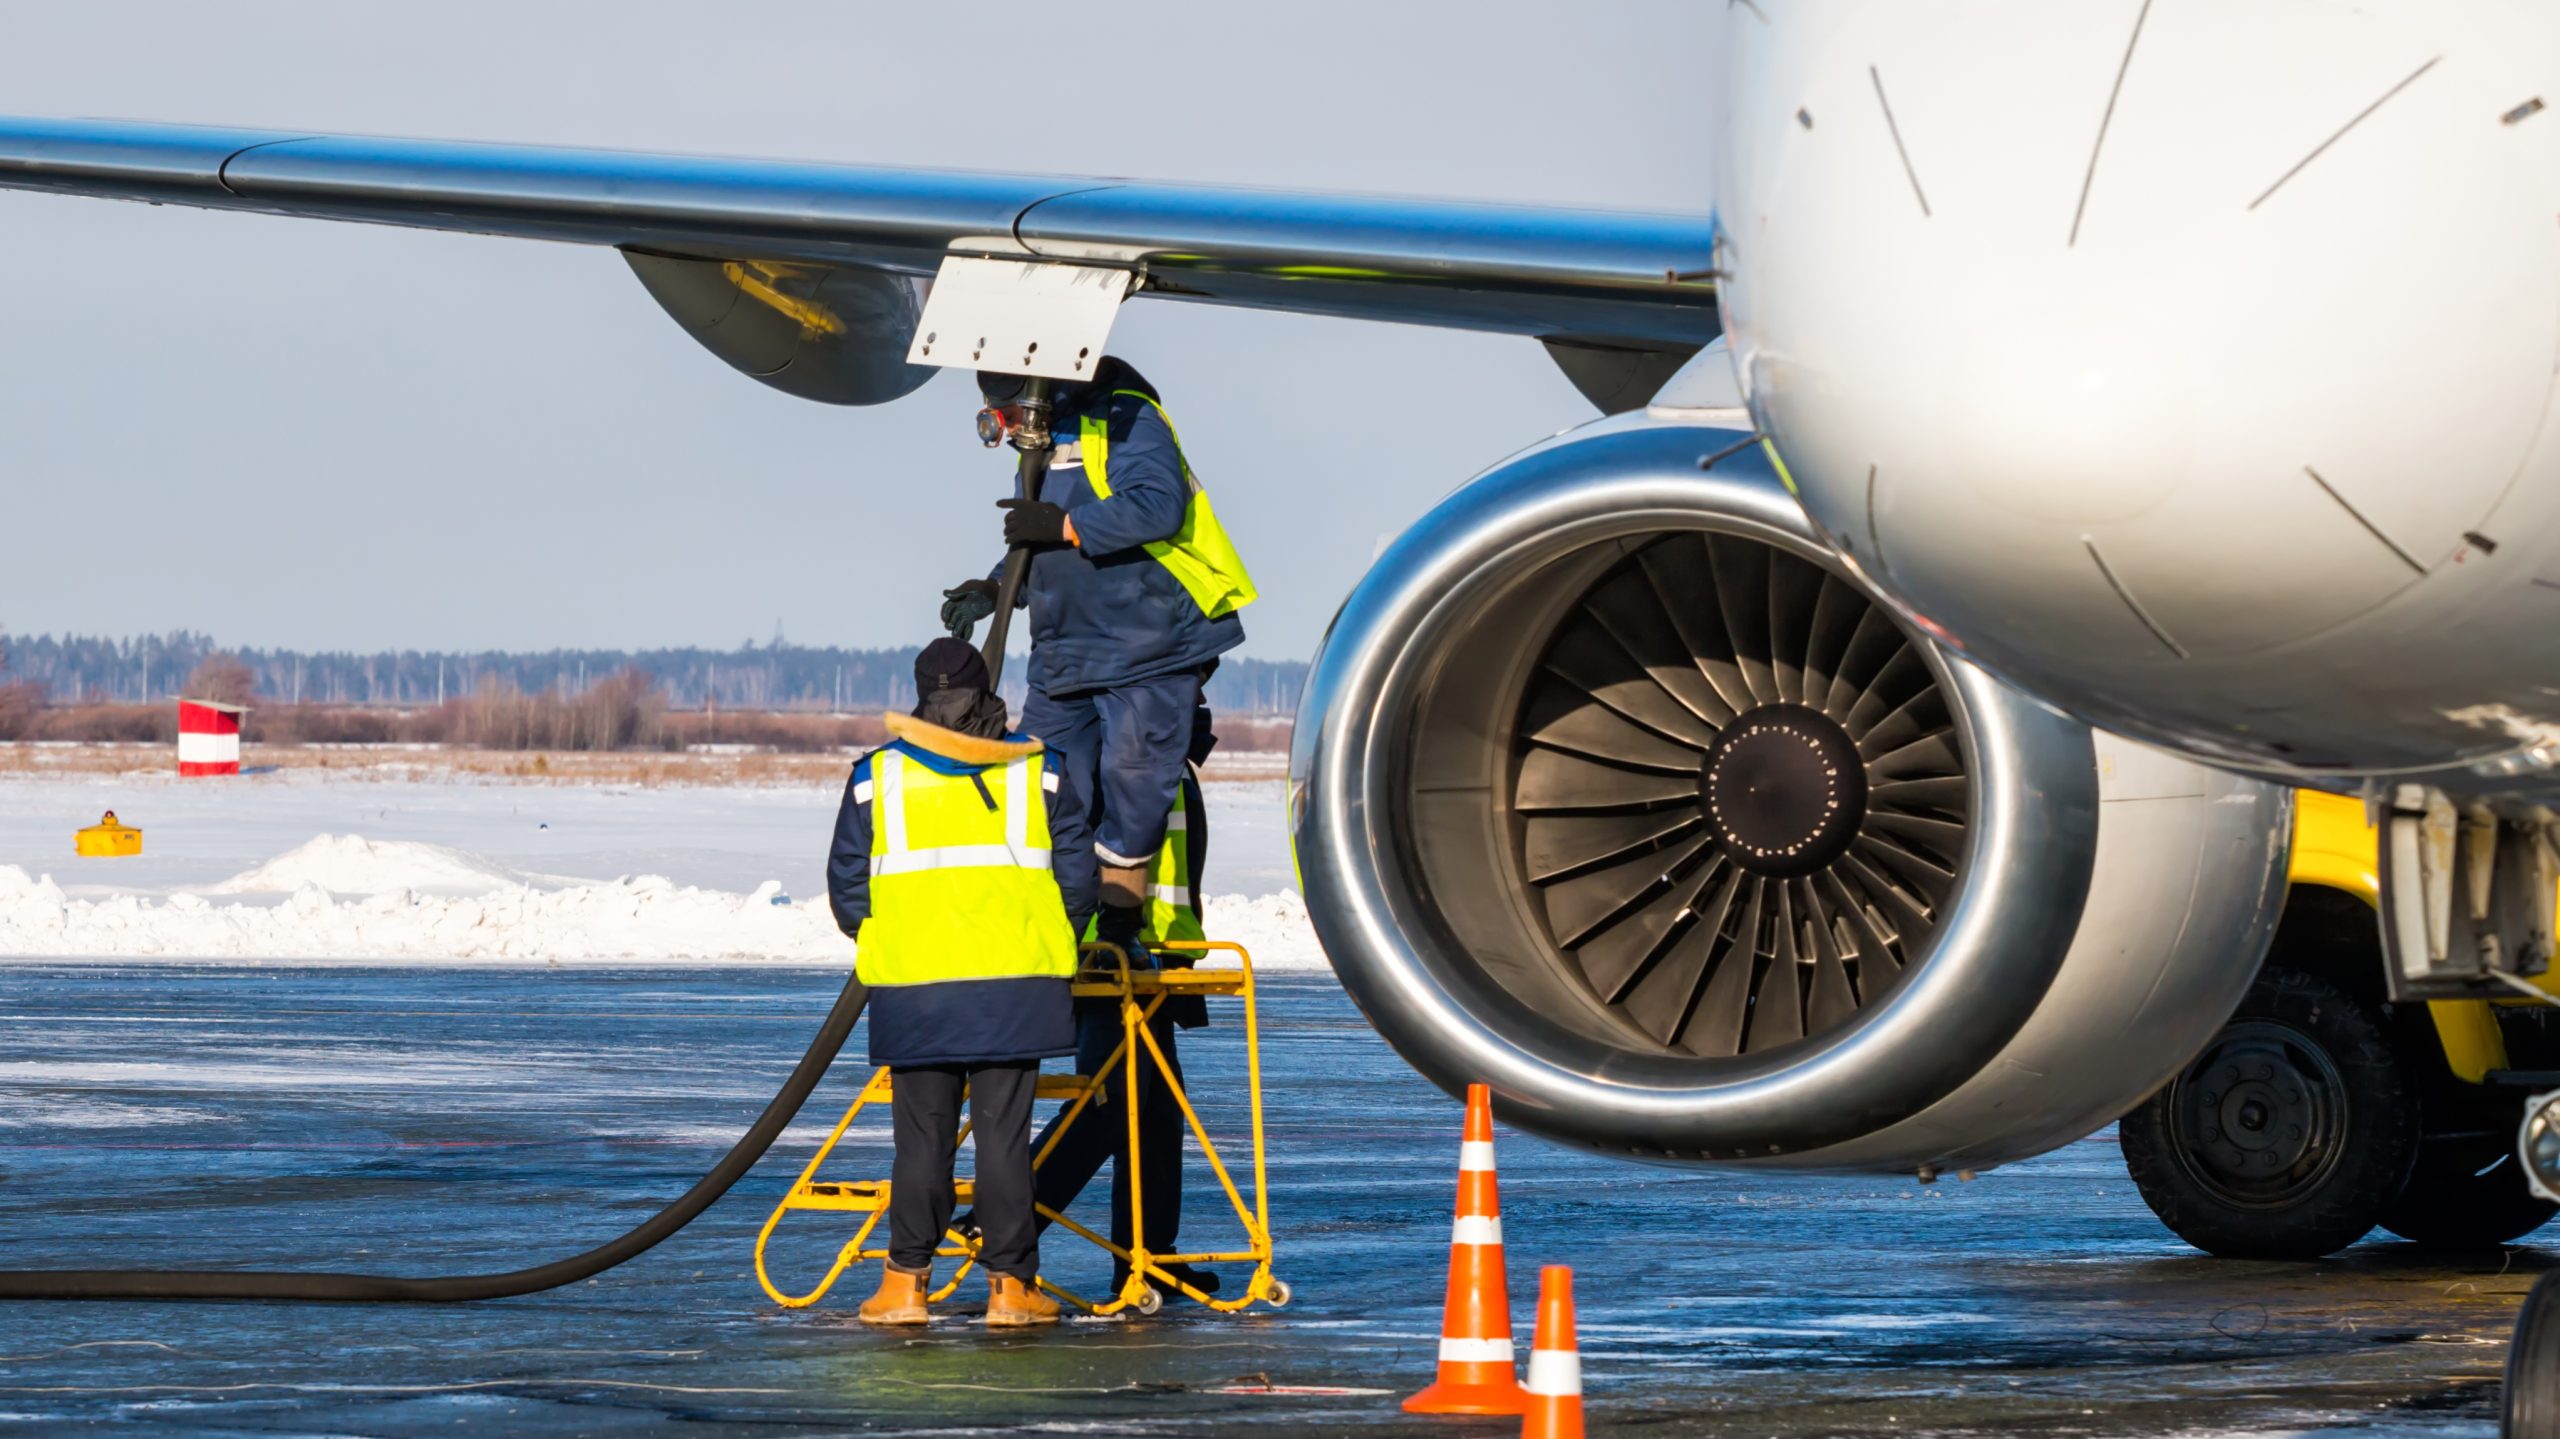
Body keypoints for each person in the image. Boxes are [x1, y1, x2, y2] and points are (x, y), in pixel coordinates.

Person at [826, 637, 1096, 1328]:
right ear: (987, 692)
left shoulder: (873, 777)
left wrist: (886, 938)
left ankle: (904, 1285)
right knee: (1004, 1141)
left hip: (916, 990)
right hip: (1014, 985)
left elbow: (847, 888)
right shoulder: (1040, 771)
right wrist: (1051, 934)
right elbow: (1078, 879)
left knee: (922, 1142)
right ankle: (1011, 1289)